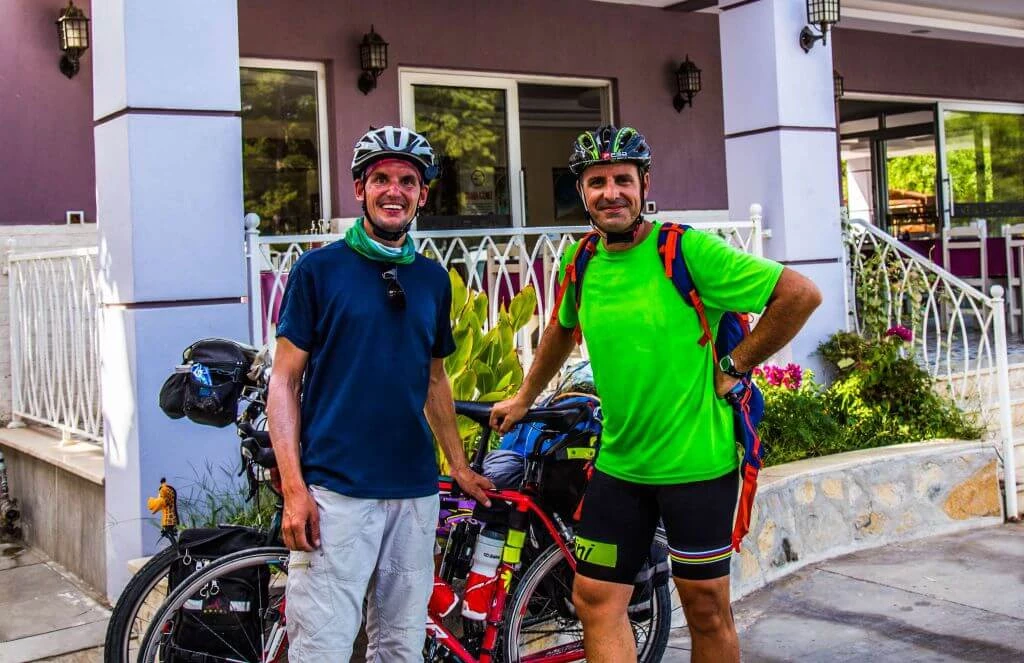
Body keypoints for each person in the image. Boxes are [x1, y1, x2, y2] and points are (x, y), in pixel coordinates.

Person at [490, 125, 822, 663]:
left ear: (644, 185)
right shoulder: (582, 261)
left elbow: (799, 294)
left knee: (706, 609)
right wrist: (525, 397)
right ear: (582, 193)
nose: (611, 193)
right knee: (595, 599)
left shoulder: (687, 249)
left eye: (623, 180)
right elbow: (561, 329)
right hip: (620, 466)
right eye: (597, 182)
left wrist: (736, 364)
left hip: (696, 466)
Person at [268, 125, 493, 661]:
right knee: (321, 647)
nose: (395, 191)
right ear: (360, 189)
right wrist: (295, 489)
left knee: (400, 645)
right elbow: (284, 381)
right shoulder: (319, 271)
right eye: (381, 179)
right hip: (337, 491)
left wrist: (458, 466)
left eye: (407, 181)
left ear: (422, 195)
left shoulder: (433, 280)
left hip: (413, 491)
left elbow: (434, 380)